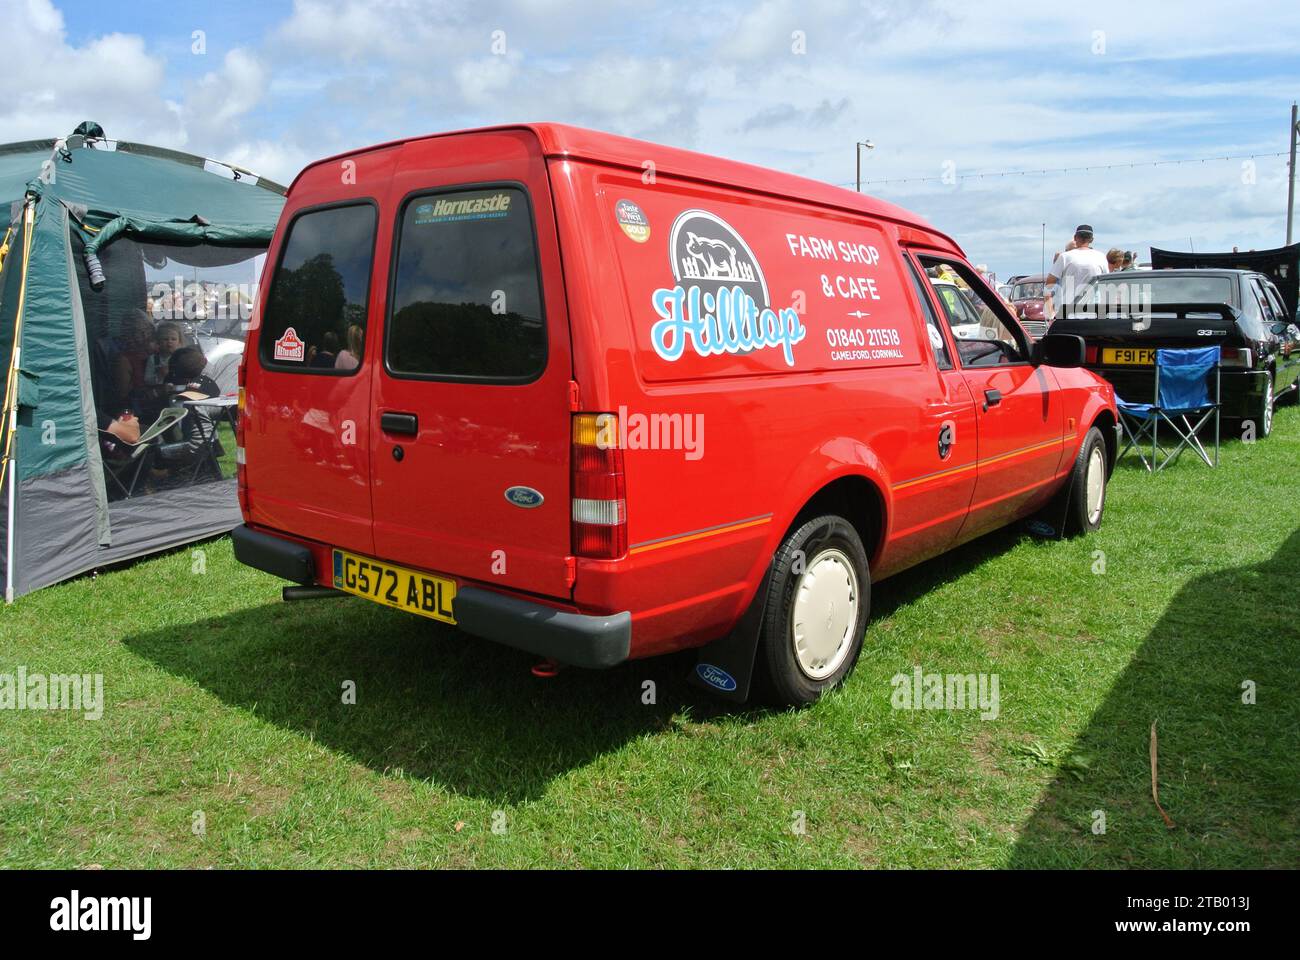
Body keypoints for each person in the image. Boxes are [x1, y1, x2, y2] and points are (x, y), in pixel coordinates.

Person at [1046, 225, 1108, 319]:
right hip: (1094, 314)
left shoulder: (1064, 257)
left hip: (1067, 315)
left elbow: (1049, 285)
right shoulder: (1101, 257)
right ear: (1091, 240)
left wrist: (1050, 312)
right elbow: (1107, 285)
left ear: (1075, 238)